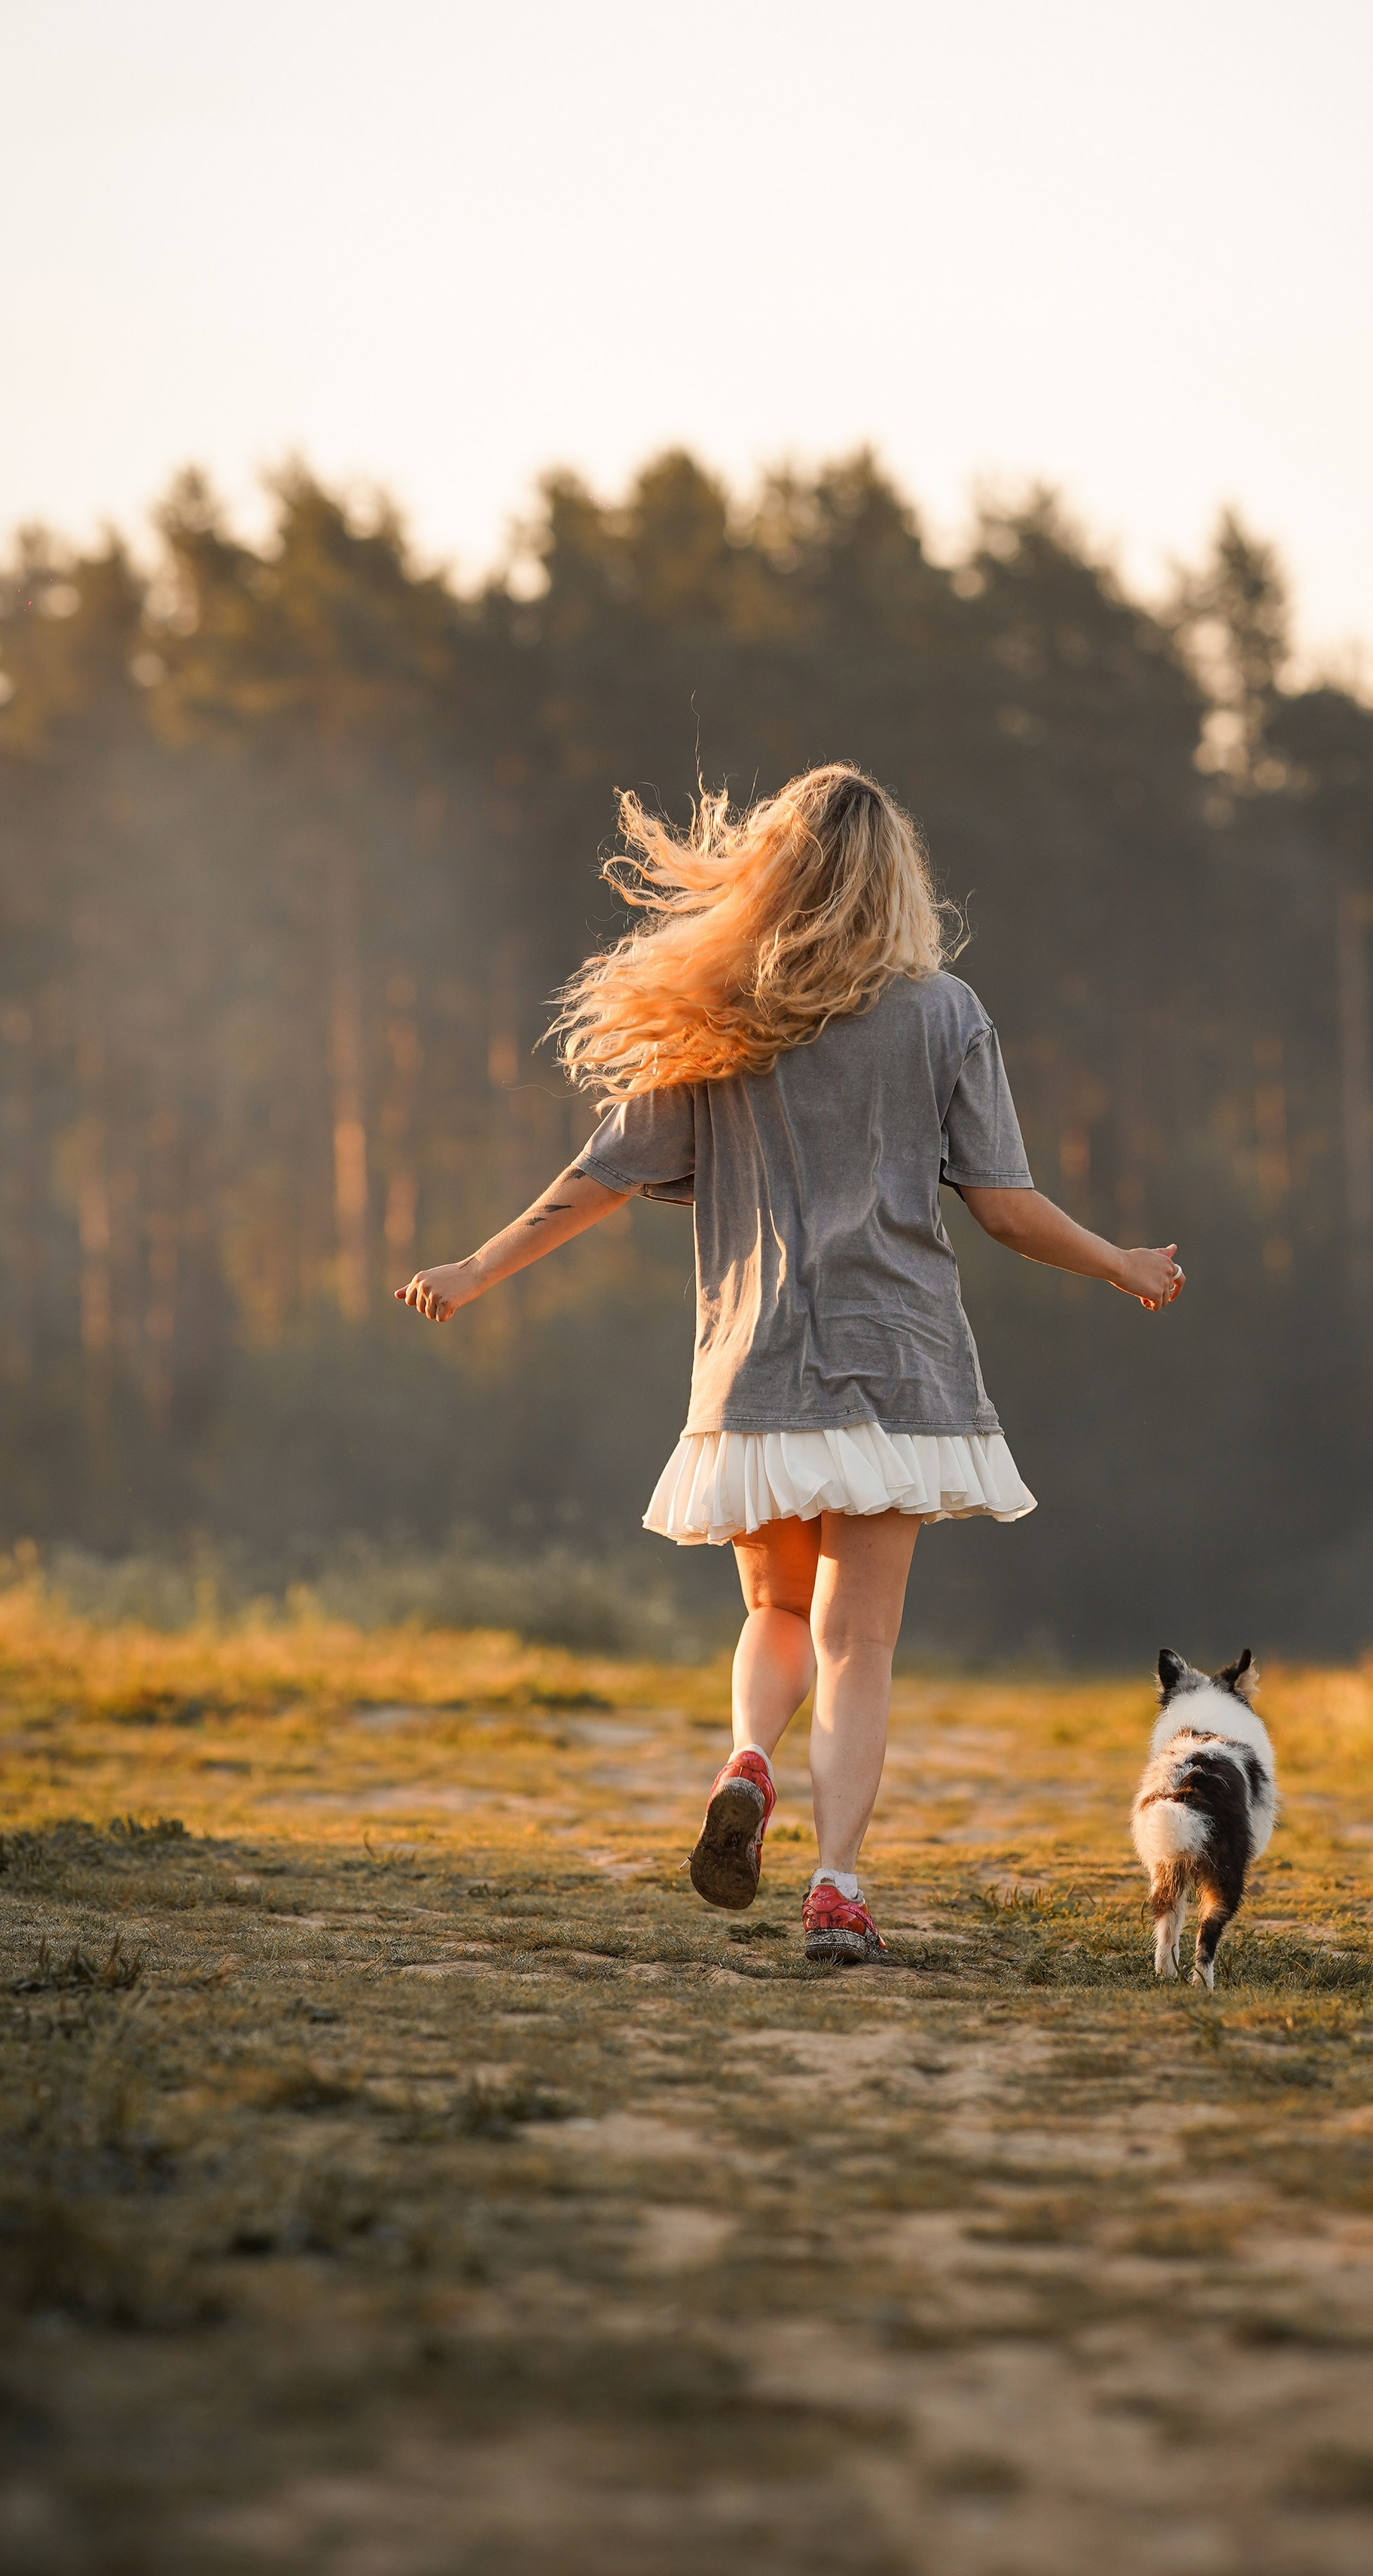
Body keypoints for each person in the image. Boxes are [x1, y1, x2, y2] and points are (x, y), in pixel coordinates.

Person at [396, 764, 1183, 1964]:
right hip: (896, 1367)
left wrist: (471, 1268)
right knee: (856, 1645)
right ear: (896, 881)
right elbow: (1009, 1211)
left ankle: (749, 1758)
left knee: (773, 1609)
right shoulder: (944, 1014)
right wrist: (1121, 1261)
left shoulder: (719, 1019)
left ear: (772, 874)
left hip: (756, 1369)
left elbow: (593, 1184)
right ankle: (837, 1889)